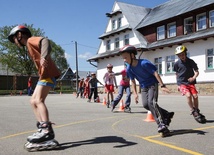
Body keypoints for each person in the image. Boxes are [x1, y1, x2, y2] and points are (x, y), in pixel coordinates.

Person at [8, 25, 61, 150]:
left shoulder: (30, 40)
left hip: (48, 74)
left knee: (38, 100)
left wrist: (43, 56)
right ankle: (42, 128)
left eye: (14, 38)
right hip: (44, 75)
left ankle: (46, 130)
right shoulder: (28, 46)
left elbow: (45, 41)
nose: (15, 42)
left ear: (20, 35)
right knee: (32, 101)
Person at [119, 45, 174, 137]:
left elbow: (155, 73)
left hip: (152, 84)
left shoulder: (144, 63)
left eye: (125, 57)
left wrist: (162, 85)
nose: (124, 60)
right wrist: (135, 93)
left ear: (132, 55)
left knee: (152, 103)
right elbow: (132, 81)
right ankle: (166, 114)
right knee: (145, 105)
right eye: (123, 58)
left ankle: (161, 124)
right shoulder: (129, 69)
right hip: (144, 87)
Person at [173, 45, 206, 124]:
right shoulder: (177, 64)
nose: (182, 56)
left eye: (183, 54)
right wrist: (178, 84)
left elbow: (197, 71)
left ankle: (196, 110)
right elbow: (177, 74)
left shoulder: (191, 61)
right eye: (180, 55)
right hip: (182, 83)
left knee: (195, 96)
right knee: (188, 95)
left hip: (191, 82)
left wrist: (193, 78)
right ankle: (192, 110)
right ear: (178, 56)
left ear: (185, 53)